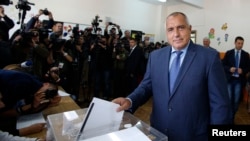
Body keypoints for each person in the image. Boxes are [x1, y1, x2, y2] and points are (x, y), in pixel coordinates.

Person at [112, 12, 231, 141]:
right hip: (159, 132)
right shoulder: (156, 56)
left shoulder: (209, 57)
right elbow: (146, 86)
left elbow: (220, 105)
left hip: (193, 135)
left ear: (189, 29)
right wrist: (130, 100)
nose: (176, 34)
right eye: (170, 29)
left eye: (181, 27)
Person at [0, 69, 61, 136]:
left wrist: (49, 103)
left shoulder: (35, 83)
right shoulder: (22, 84)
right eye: (48, 91)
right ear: (46, 84)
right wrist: (25, 130)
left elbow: (31, 108)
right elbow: (4, 114)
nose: (44, 95)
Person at [221, 36, 250, 123]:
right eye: (238, 43)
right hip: (229, 80)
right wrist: (229, 69)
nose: (240, 45)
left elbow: (248, 67)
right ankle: (229, 118)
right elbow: (223, 64)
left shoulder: (245, 54)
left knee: (236, 101)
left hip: (239, 81)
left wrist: (243, 71)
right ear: (235, 43)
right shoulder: (229, 53)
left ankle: (232, 115)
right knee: (229, 100)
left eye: (242, 44)